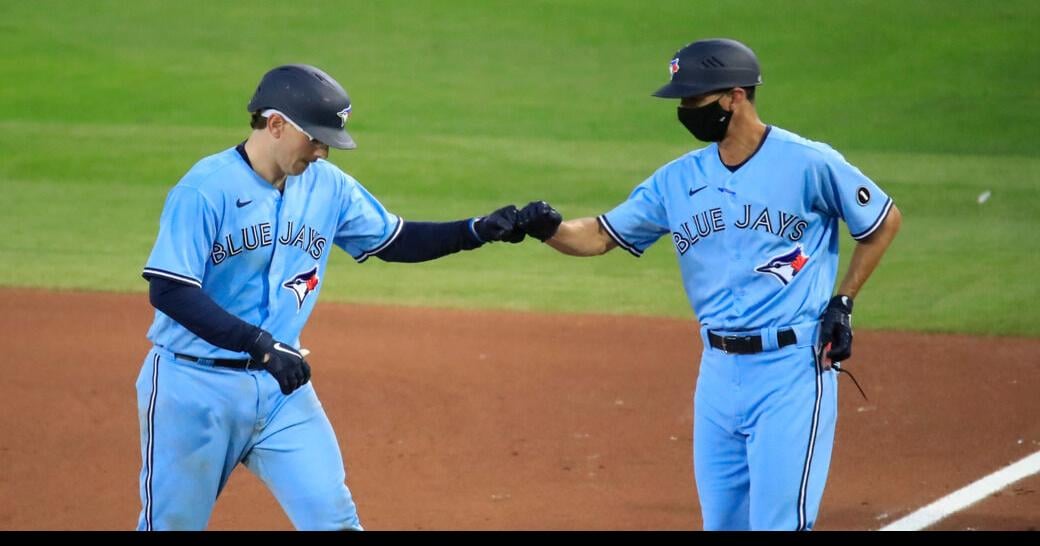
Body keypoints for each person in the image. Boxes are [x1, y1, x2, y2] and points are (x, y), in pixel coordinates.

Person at [515, 38, 902, 530]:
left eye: (694, 99)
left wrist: (842, 302)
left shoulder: (807, 163)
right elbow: (598, 236)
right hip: (717, 373)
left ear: (734, 96)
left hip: (791, 370)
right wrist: (546, 228)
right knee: (722, 525)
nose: (685, 110)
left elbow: (882, 220)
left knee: (778, 524)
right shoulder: (677, 181)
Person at [136, 63, 539, 531]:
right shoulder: (205, 190)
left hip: (281, 391)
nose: (323, 151)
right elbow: (169, 290)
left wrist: (477, 230)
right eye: (316, 138)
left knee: (335, 522)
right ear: (276, 124)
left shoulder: (329, 187)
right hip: (194, 388)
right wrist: (260, 344)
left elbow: (396, 240)